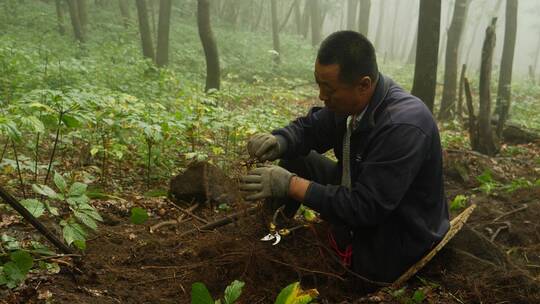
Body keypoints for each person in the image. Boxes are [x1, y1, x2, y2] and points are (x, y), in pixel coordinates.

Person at [239, 31, 449, 283]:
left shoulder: (403, 125)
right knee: (297, 159)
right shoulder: (353, 102)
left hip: (398, 234)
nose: (321, 96)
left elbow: (366, 207)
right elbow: (312, 128)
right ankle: (272, 235)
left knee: (355, 271)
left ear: (364, 84)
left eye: (328, 89)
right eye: (318, 84)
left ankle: (345, 259)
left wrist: (291, 185)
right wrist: (280, 141)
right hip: (358, 189)